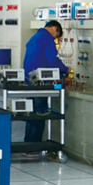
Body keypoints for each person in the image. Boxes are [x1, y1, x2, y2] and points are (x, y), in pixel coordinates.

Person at [22, 20, 68, 150]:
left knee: (31, 115)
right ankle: (34, 148)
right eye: (56, 36)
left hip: (28, 80)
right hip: (39, 83)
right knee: (40, 115)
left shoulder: (34, 37)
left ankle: (27, 146)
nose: (55, 39)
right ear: (54, 28)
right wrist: (65, 70)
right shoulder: (46, 37)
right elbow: (52, 59)